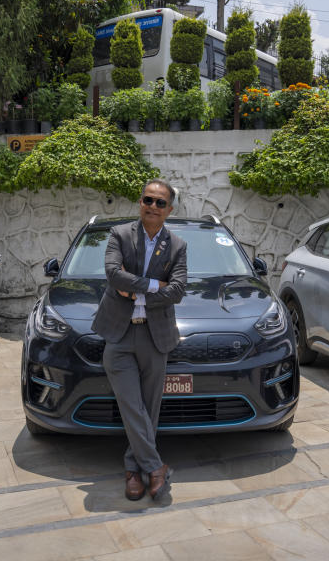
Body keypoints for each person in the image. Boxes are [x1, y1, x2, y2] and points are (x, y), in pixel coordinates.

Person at [91, 179, 188, 502]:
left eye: (161, 203)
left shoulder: (177, 246)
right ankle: (156, 467)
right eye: (148, 199)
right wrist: (153, 286)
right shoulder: (120, 235)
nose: (153, 206)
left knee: (149, 408)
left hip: (154, 335)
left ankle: (134, 471)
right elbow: (112, 274)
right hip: (119, 335)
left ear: (169, 210)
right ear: (140, 202)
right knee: (131, 405)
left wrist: (135, 289)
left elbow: (177, 290)